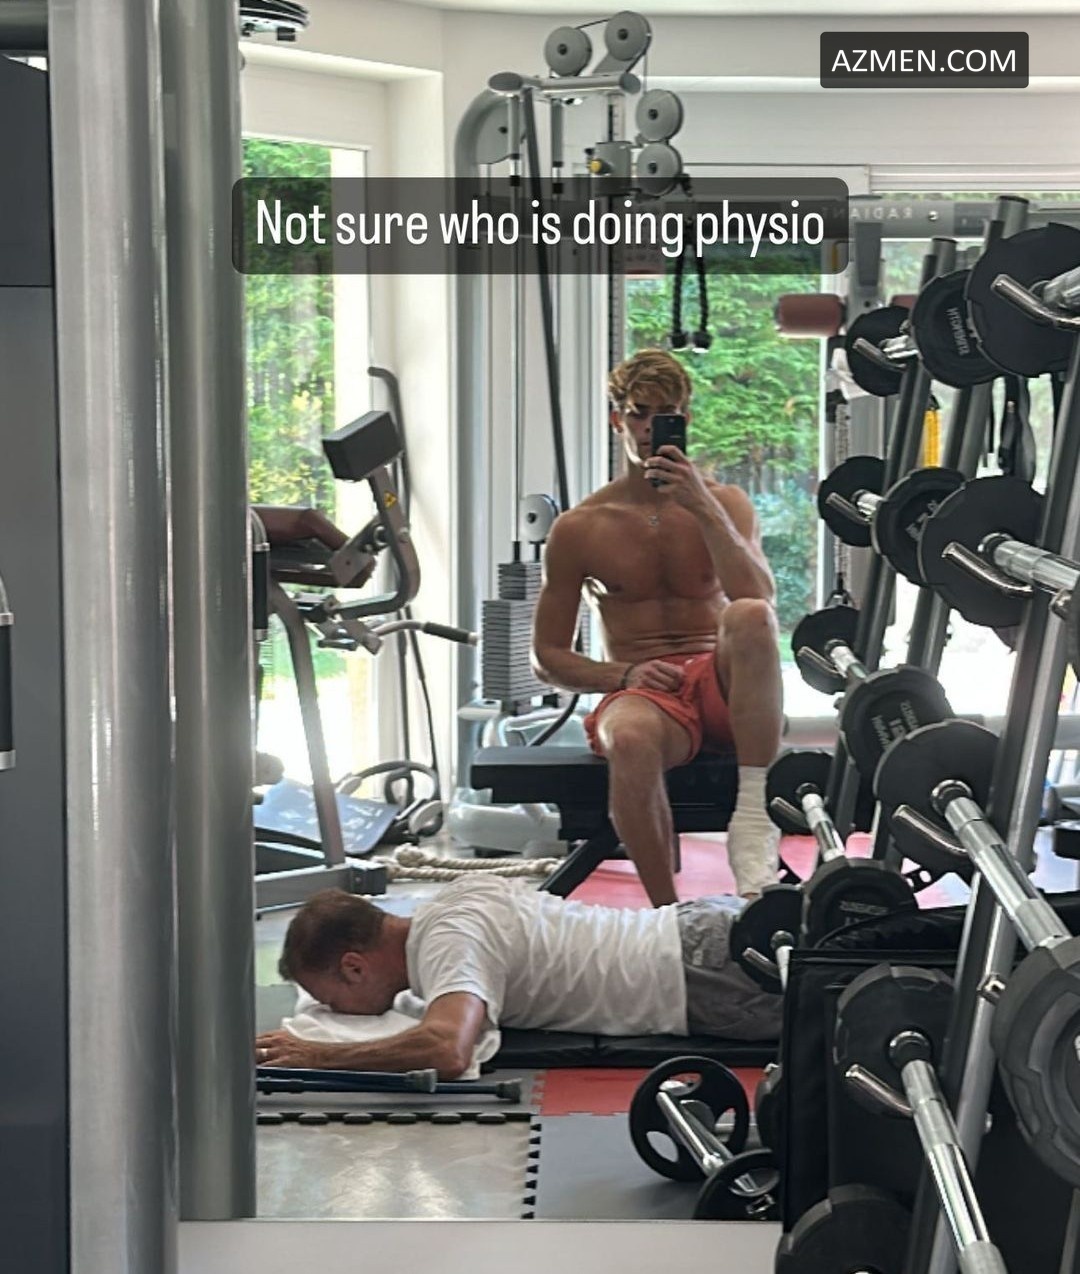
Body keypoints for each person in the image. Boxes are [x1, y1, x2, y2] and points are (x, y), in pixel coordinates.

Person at [530, 348, 784, 907]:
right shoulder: (580, 527)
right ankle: (666, 914)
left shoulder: (725, 504)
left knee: (749, 615)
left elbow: (760, 597)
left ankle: (751, 818)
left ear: (685, 419)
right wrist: (624, 674)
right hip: (648, 689)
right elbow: (546, 656)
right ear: (616, 418)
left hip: (723, 685)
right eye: (639, 413)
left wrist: (701, 504)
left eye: (665, 414)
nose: (650, 428)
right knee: (628, 738)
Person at [256, 879, 782, 1077]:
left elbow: (447, 1049)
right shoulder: (455, 900)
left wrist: (319, 1055)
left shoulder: (448, 941)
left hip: (706, 974)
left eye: (329, 1000)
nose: (335, 1013)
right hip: (705, 928)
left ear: (354, 966)